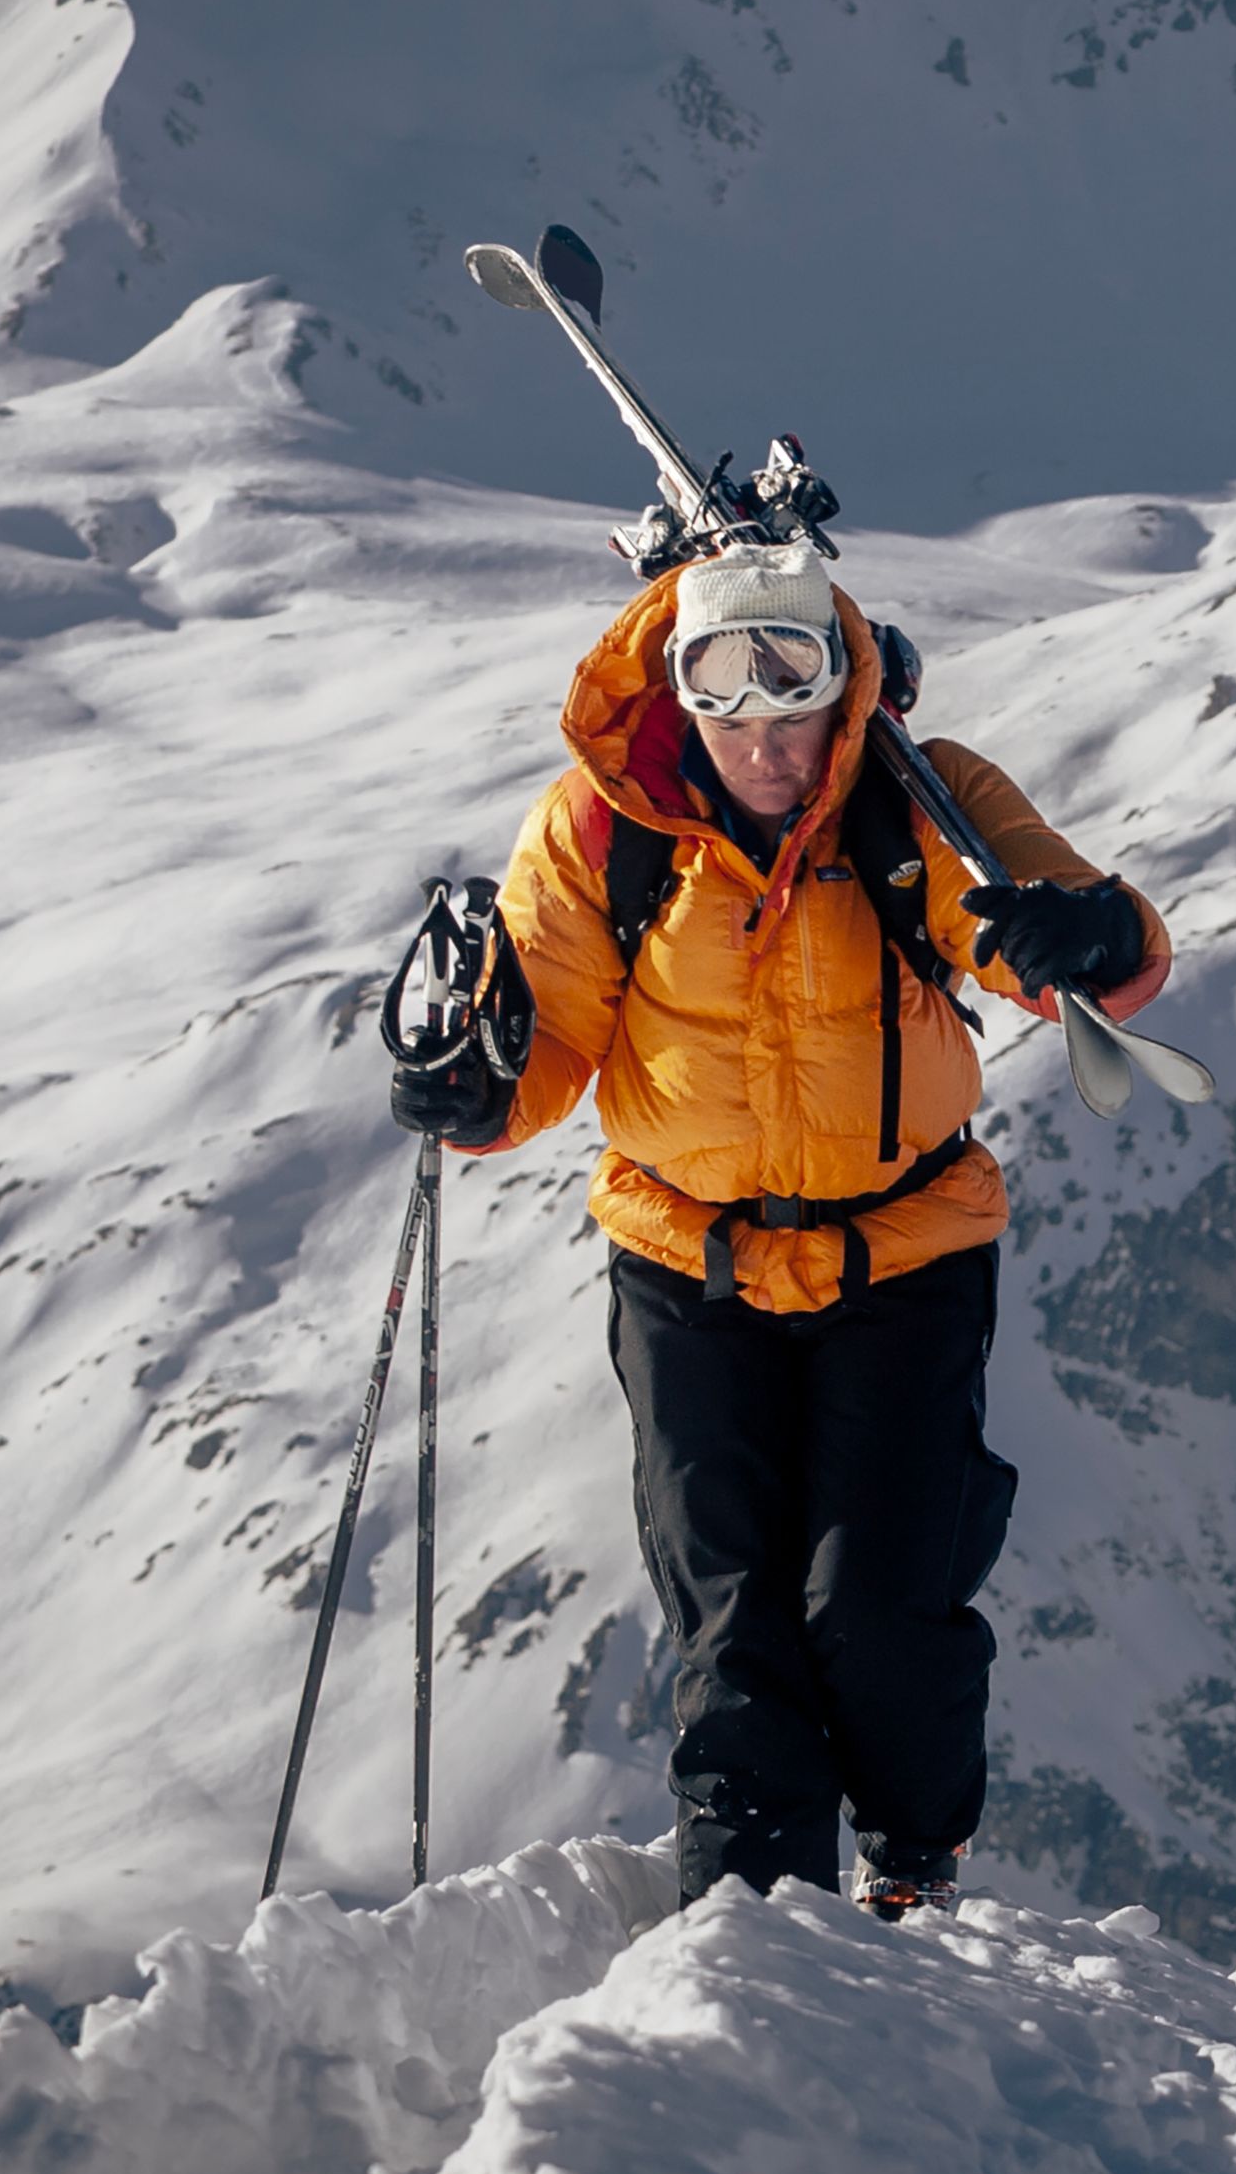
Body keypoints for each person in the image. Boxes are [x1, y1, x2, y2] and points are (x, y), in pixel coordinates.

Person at [387, 539, 1167, 1916]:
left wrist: (1084, 939)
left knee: (877, 1614)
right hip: (689, 1267)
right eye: (724, 700)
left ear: (841, 686)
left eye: (792, 696)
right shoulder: (603, 828)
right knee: (733, 1628)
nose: (763, 738)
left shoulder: (917, 801)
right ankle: (753, 1950)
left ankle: (910, 1872)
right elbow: (549, 1038)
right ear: (680, 694)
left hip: (903, 1256)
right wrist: (476, 1090)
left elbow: (1049, 927)